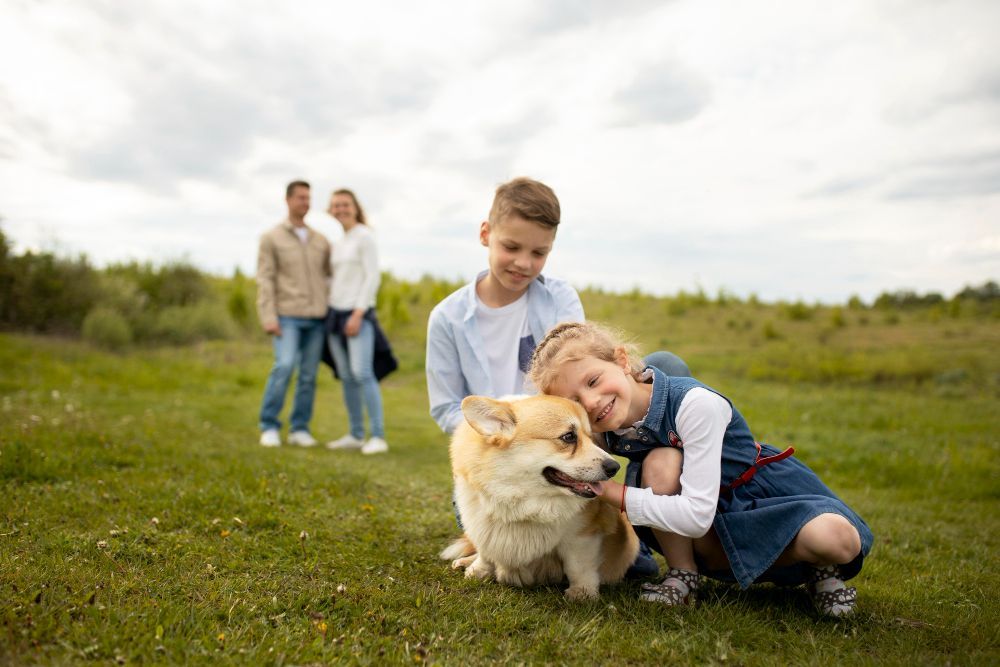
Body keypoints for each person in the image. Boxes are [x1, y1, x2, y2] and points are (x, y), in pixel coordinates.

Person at [528, 321, 874, 617]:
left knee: (838, 540)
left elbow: (696, 515)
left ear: (621, 361)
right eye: (573, 401)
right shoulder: (600, 426)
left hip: (751, 495)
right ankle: (683, 573)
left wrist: (606, 491)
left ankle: (818, 569)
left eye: (592, 381)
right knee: (661, 462)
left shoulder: (697, 405)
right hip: (699, 524)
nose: (590, 402)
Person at [256, 180, 332, 447]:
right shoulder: (271, 237)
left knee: (309, 376)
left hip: (317, 318)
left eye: (308, 198)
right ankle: (269, 425)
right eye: (300, 198)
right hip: (286, 315)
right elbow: (265, 278)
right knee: (284, 366)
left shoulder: (320, 240)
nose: (305, 202)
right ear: (288, 200)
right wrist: (268, 316)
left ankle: (299, 428)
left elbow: (329, 277)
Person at [323, 189, 390, 455]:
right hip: (334, 314)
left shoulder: (365, 236)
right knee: (347, 377)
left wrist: (358, 313)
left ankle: (378, 436)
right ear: (331, 210)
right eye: (336, 205)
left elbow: (372, 277)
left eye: (345, 204)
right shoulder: (339, 242)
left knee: (362, 373)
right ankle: (355, 434)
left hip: (356, 315)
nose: (341, 209)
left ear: (354, 207)